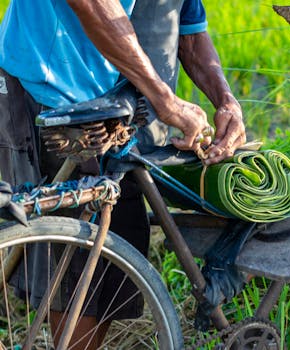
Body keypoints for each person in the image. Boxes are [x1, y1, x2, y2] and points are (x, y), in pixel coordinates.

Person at [0, 0, 246, 348]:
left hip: (121, 105)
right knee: (76, 264)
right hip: (54, 90)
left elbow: (188, 28)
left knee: (116, 247)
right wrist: (167, 101)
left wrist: (226, 100)